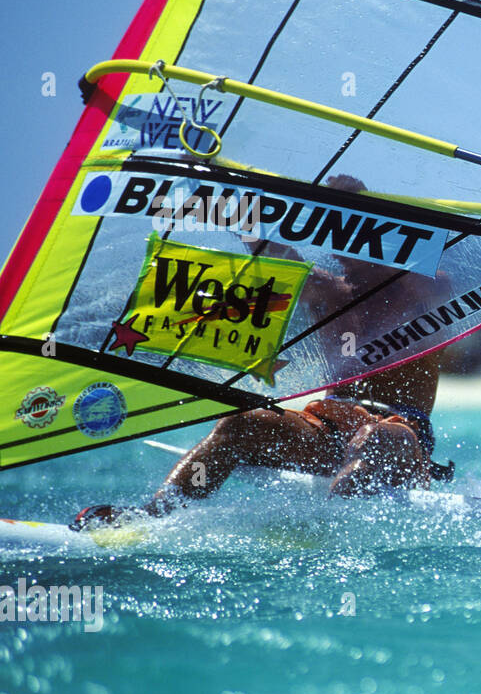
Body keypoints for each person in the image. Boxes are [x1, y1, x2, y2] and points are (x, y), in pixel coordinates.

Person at [72, 175, 450, 530]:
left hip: (399, 431)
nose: (341, 245)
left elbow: (441, 260)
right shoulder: (326, 291)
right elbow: (265, 243)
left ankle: (334, 533)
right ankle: (153, 514)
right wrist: (208, 176)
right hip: (330, 428)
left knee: (371, 438)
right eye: (337, 230)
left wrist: (362, 206)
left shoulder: (420, 288)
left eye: (353, 231)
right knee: (240, 423)